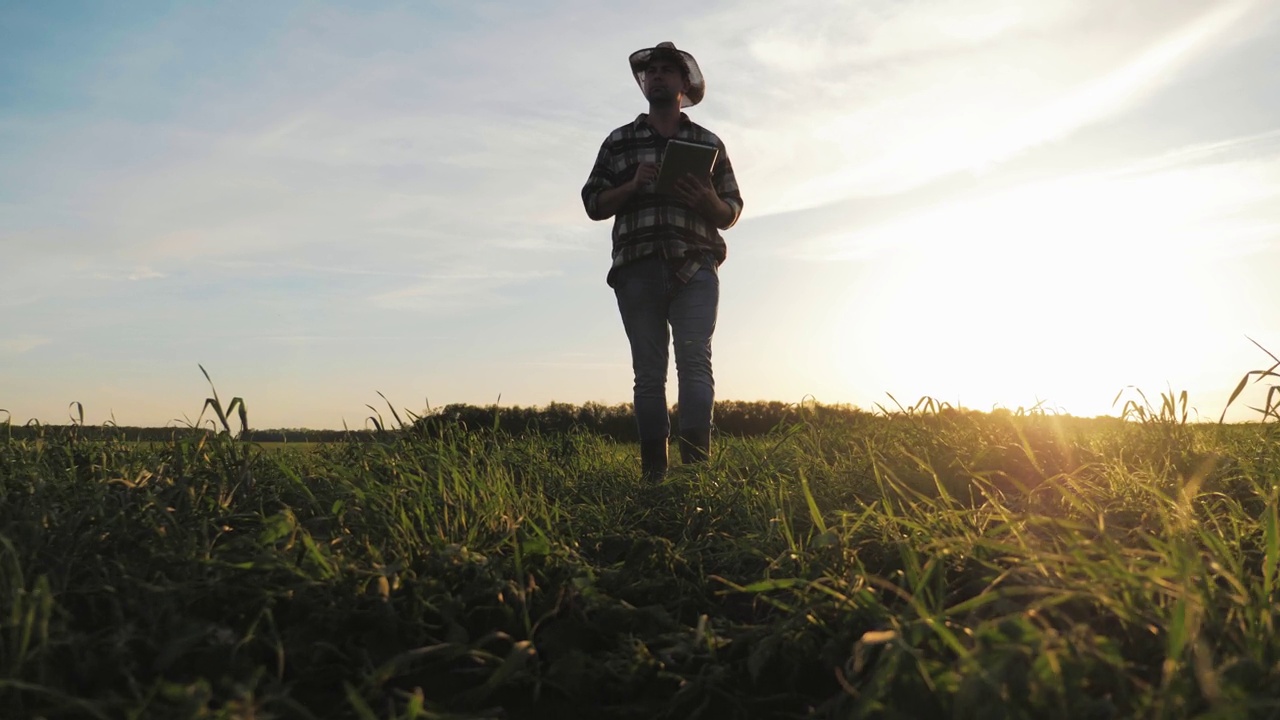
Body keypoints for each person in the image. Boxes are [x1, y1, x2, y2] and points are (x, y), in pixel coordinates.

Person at [581, 41, 744, 480]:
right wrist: (631, 185)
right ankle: (654, 474)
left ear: (683, 84)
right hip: (638, 267)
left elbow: (731, 211)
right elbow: (593, 202)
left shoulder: (707, 143)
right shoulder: (619, 141)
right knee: (649, 374)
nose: (657, 76)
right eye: (651, 71)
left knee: (695, 363)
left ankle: (695, 474)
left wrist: (708, 199)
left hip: (695, 266)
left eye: (667, 70)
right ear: (644, 82)